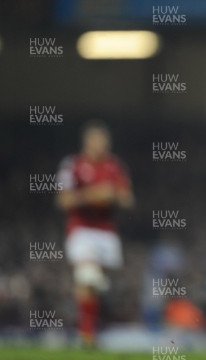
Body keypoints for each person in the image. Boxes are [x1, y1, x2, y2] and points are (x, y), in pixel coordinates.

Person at [56, 120, 134, 346]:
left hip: (107, 232)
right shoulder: (73, 165)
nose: (102, 145)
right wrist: (94, 194)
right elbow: (64, 200)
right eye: (98, 140)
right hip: (81, 229)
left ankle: (90, 329)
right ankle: (87, 334)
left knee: (97, 285)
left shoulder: (114, 166)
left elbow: (128, 199)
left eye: (104, 141)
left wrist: (115, 196)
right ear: (87, 142)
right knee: (86, 277)